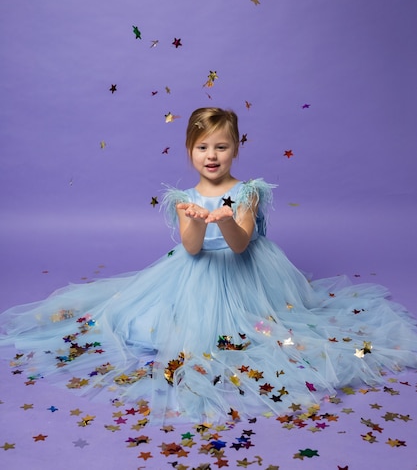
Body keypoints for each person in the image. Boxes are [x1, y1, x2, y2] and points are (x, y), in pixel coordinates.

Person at [0, 106, 416, 424]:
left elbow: (240, 245)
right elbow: (192, 250)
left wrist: (227, 220)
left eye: (222, 146)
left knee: (259, 331)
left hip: (248, 273)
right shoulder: (183, 196)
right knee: (155, 326)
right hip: (195, 275)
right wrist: (199, 220)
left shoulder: (247, 191)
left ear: (236, 149)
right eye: (203, 147)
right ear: (190, 151)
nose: (212, 155)